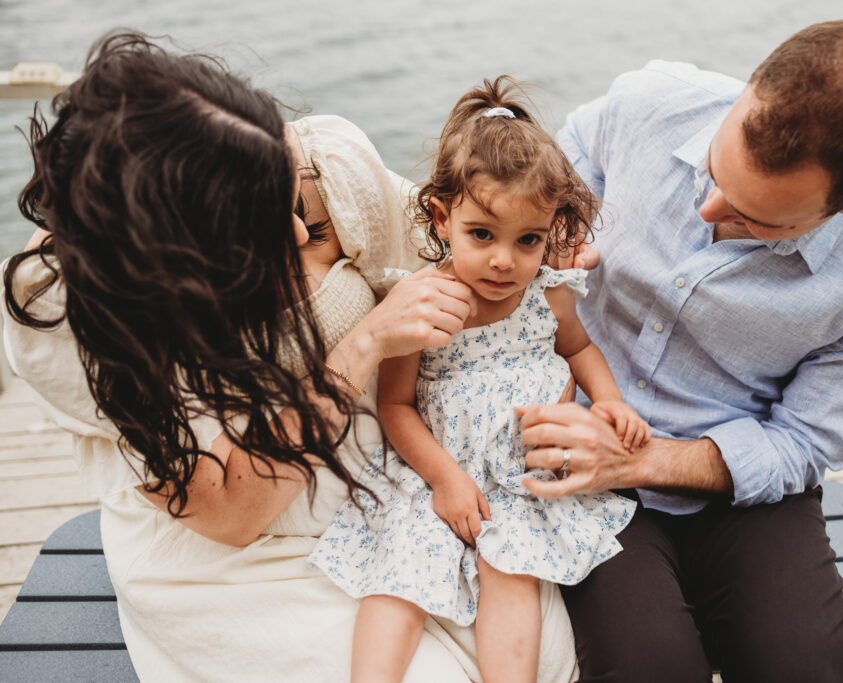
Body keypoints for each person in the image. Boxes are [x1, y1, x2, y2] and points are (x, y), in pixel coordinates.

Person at [2, 33, 579, 682]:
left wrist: (543, 257)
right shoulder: (69, 315)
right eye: (268, 227)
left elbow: (465, 234)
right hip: (229, 538)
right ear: (188, 257)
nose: (302, 232)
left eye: (298, 205)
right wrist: (361, 346)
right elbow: (229, 512)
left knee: (545, 655)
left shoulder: (319, 166)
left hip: (380, 463)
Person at [516, 19, 843, 682]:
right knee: (651, 667)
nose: (710, 209)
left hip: (740, 485)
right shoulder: (649, 103)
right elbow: (545, 182)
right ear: (750, 88)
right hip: (581, 445)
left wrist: (643, 457)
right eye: (715, 171)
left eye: (759, 220)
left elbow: (804, 442)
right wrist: (554, 238)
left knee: (808, 667)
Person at [309, 77, 645, 683]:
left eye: (528, 241)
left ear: (550, 232)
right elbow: (395, 406)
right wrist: (445, 480)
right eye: (482, 235)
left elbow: (579, 349)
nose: (503, 261)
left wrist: (611, 400)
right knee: (401, 562)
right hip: (439, 466)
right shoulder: (425, 300)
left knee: (512, 565)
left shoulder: (549, 295)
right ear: (442, 218)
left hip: (523, 469)